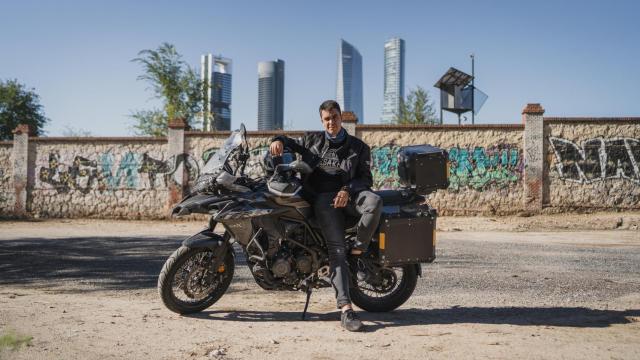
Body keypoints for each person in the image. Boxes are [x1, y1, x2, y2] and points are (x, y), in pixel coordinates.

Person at [270, 100, 382, 332]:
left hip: (351, 195)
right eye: (327, 119)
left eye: (334, 117)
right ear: (322, 121)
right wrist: (278, 141)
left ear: (341, 118)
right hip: (323, 199)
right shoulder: (313, 140)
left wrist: (347, 190)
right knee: (336, 250)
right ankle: (346, 308)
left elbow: (366, 179)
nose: (331, 122)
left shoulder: (358, 147)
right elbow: (290, 142)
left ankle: (358, 250)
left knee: (375, 202)